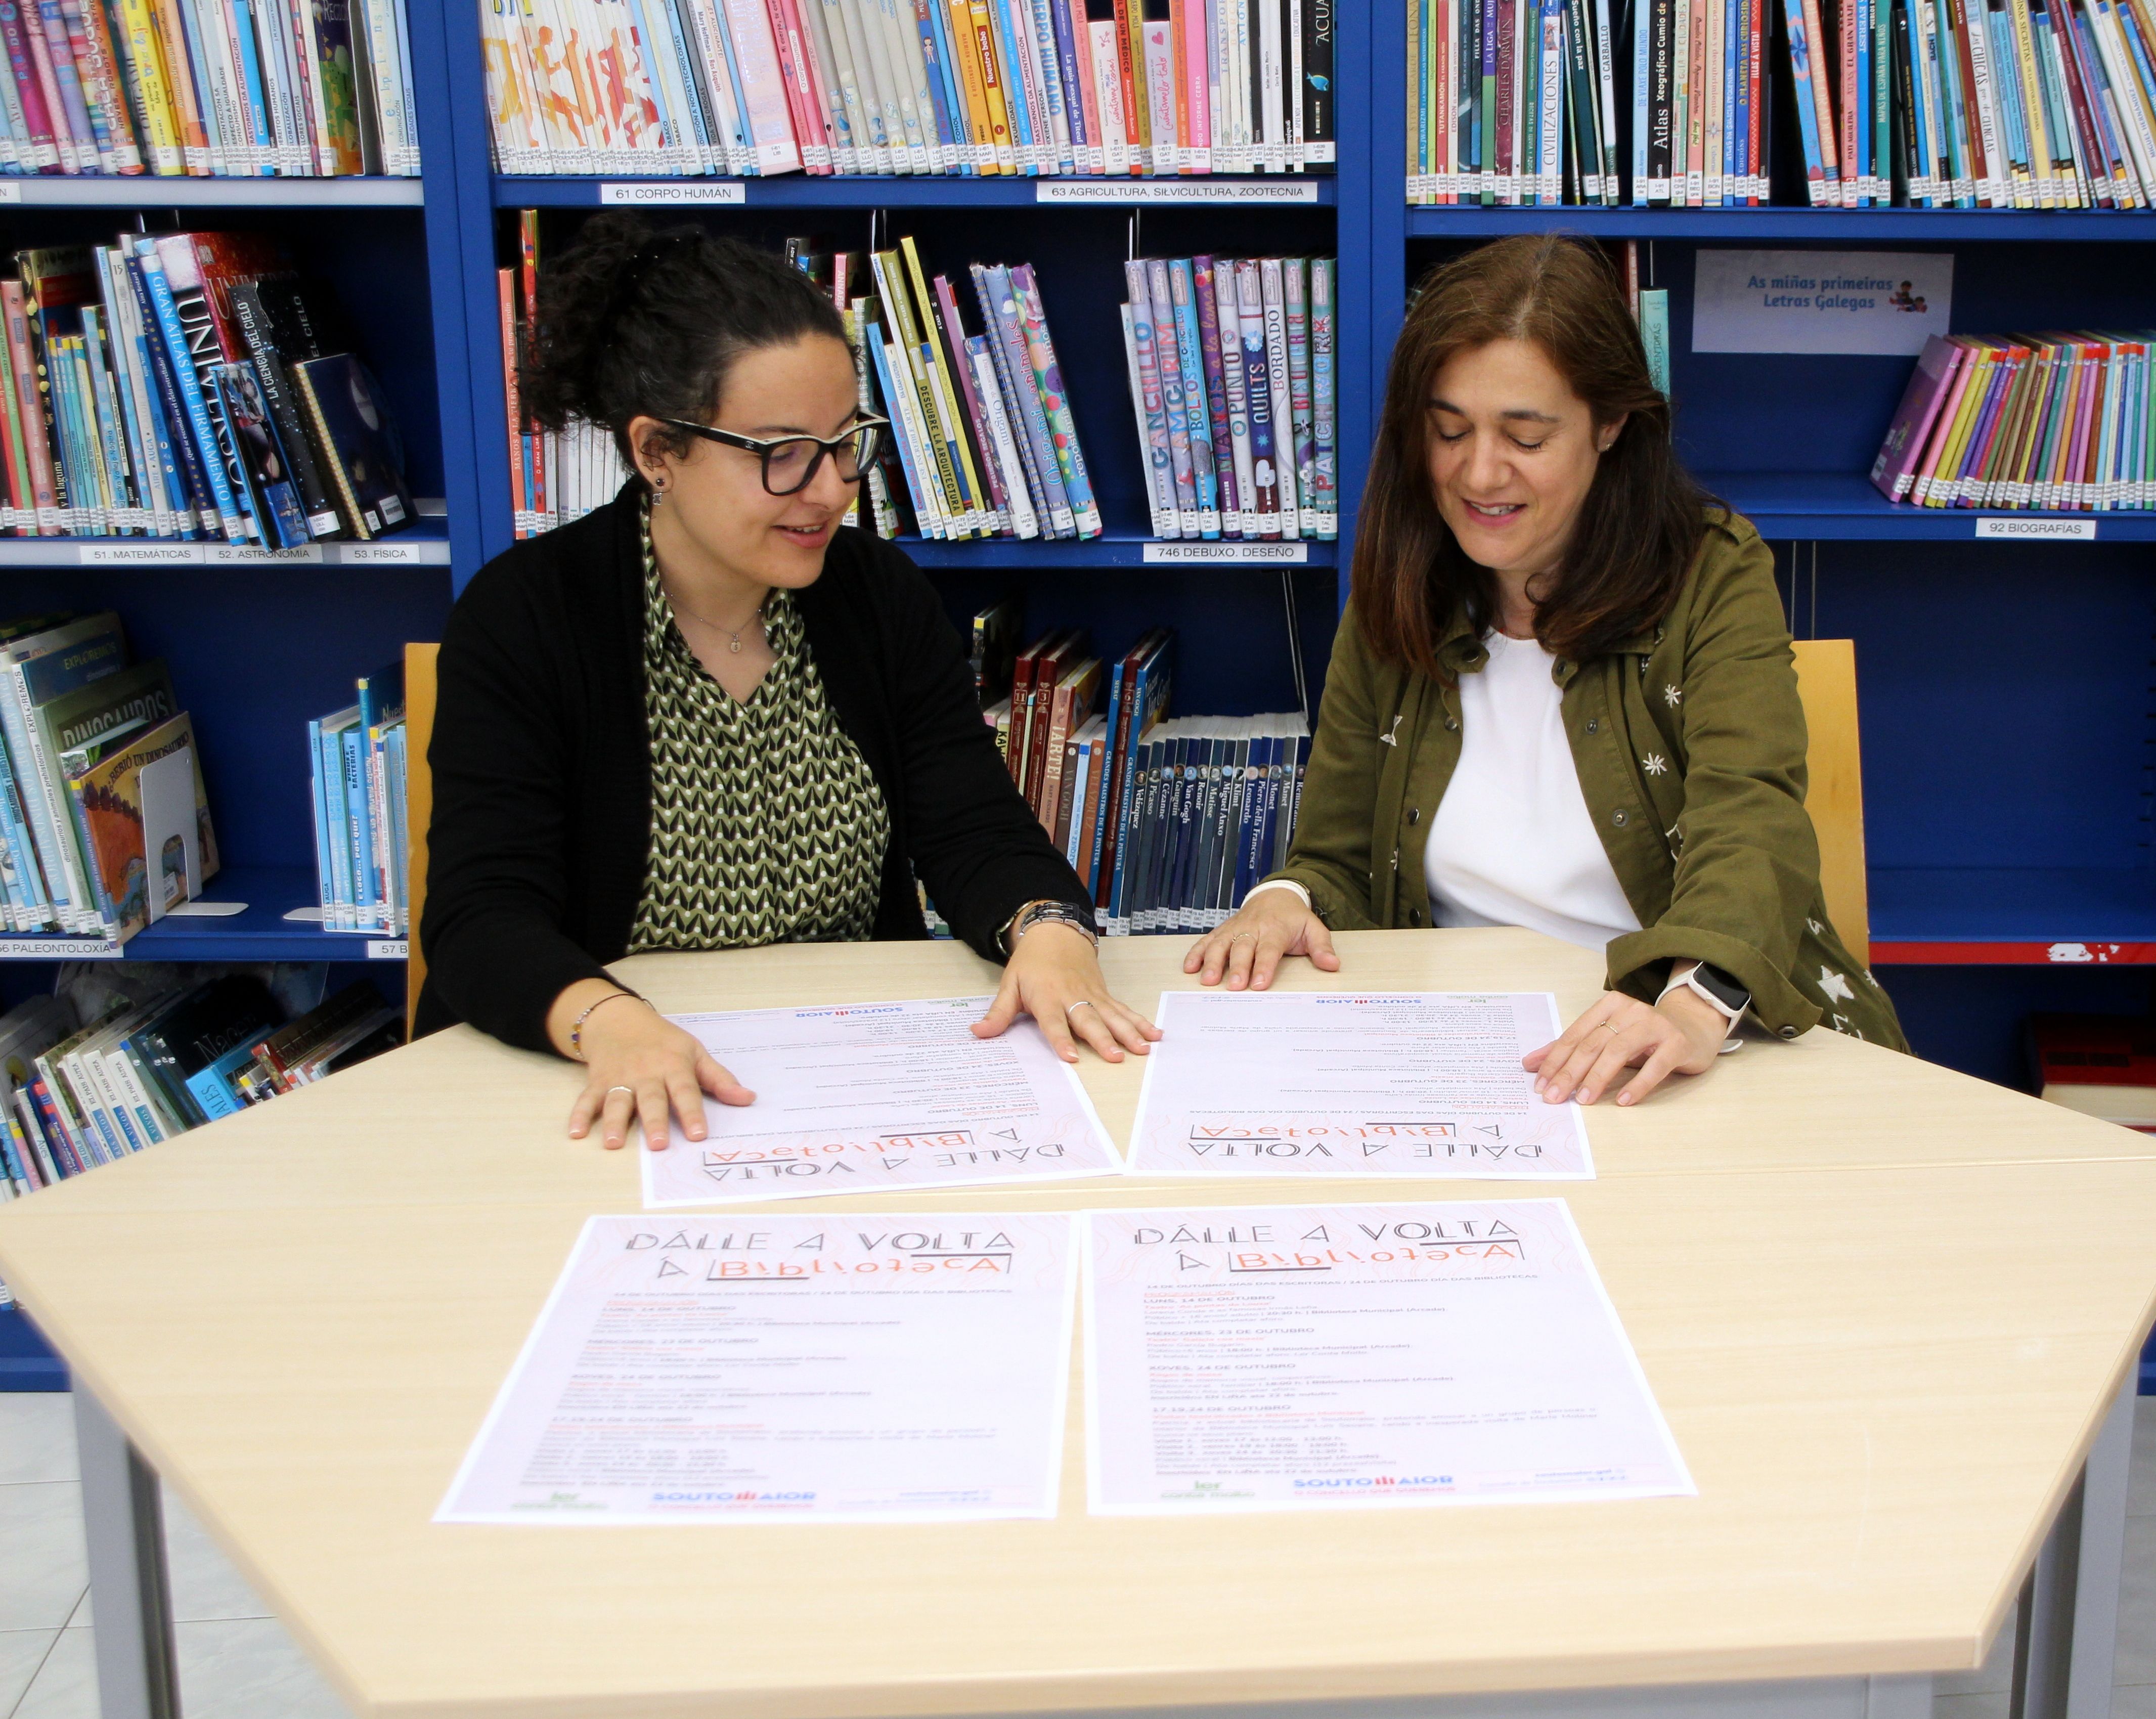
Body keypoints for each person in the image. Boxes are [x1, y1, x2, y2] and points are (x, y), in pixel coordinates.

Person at [420, 217, 1157, 1150]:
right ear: (657, 452)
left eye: (847, 441)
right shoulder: (528, 616)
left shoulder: (875, 597)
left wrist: (1048, 931)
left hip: (850, 1077)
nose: (829, 489)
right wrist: (612, 1022)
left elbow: (975, 831)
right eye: (781, 454)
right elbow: (481, 919)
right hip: (612, 1091)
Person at [1185, 233, 1903, 1107]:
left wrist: (1692, 1004)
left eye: (1525, 436)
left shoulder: (1712, 572)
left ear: (1610, 424)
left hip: (1681, 1037)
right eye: (1449, 431)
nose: (1478, 473)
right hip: (1462, 1062)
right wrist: (1286, 897)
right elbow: (1335, 856)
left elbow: (1749, 812)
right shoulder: (1403, 582)